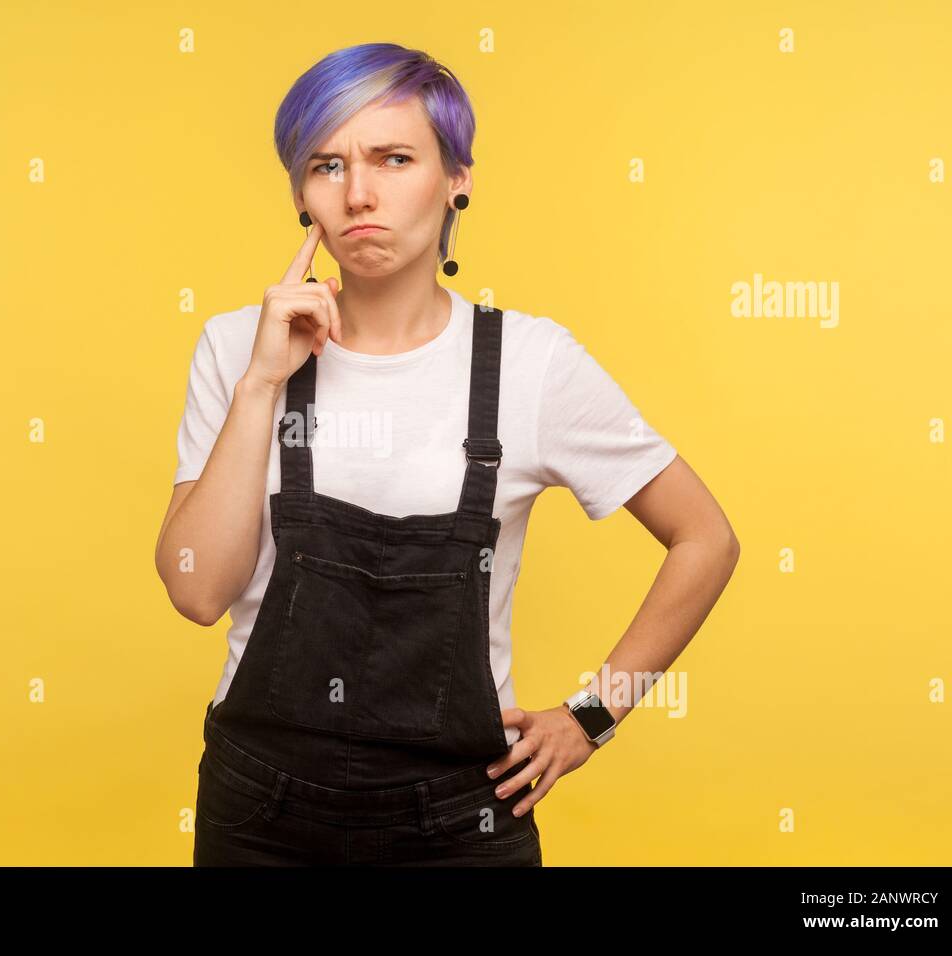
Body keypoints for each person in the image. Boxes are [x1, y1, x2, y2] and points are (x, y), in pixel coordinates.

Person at [155, 42, 739, 866]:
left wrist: (593, 716)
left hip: (463, 821)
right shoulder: (234, 349)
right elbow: (195, 589)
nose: (359, 193)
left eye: (395, 159)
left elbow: (707, 539)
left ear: (458, 176)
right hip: (262, 812)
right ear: (300, 193)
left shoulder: (534, 365)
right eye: (328, 165)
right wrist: (260, 385)